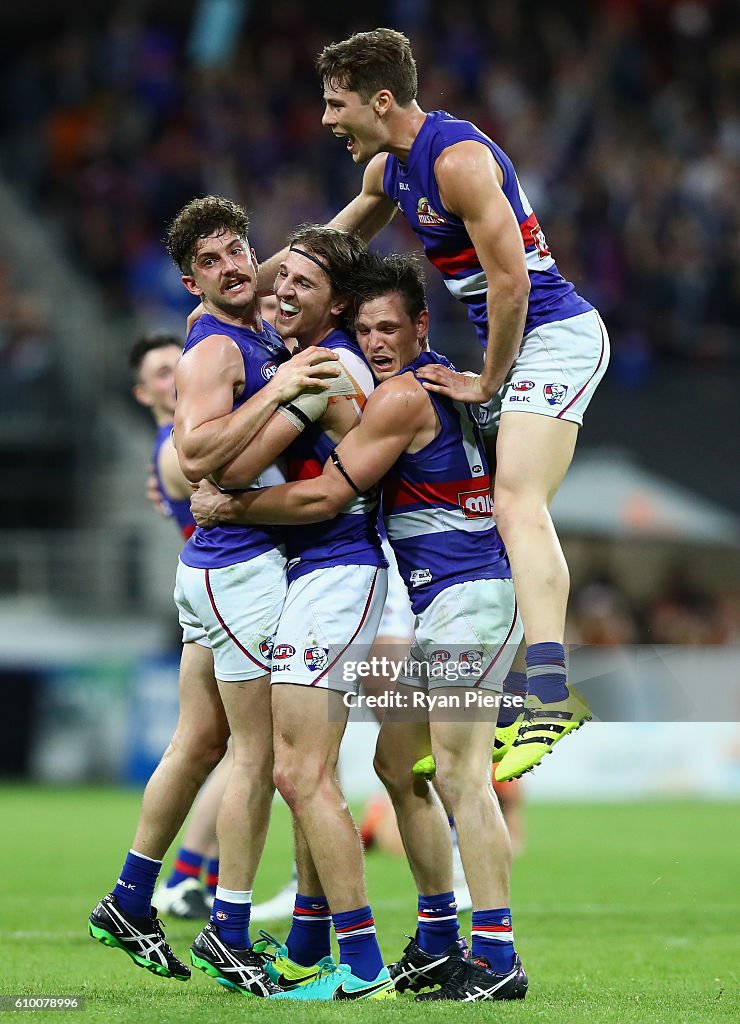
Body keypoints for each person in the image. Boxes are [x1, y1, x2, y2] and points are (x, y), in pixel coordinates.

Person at [258, 27, 609, 781]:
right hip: (519, 344)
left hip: (555, 337)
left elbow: (511, 283)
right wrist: (250, 295)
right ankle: (489, 702)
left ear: (381, 100)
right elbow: (326, 247)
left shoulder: (459, 161)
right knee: (500, 507)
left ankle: (548, 692)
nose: (326, 120)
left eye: (336, 103)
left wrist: (489, 380)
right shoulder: (392, 169)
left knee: (516, 503)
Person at [191, 252, 528, 1002]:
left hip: (466, 598)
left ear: (419, 324)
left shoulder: (403, 398)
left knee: (460, 778)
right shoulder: (453, 379)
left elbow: (323, 500)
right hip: (450, 597)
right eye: (365, 329)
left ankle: (499, 958)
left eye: (389, 328)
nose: (375, 343)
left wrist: (230, 506)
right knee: (395, 765)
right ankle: (438, 938)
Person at [88, 196, 340, 994]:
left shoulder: (247, 313)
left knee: (198, 744)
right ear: (189, 280)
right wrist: (284, 385)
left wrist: (374, 192)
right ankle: (229, 931)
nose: (234, 266)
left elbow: (320, 251)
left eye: (239, 250)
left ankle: (130, 899)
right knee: (257, 756)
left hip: (216, 574)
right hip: (237, 569)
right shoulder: (215, 350)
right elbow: (198, 456)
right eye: (212, 260)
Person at [193, 223, 396, 1000]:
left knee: (298, 771)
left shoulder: (325, 366)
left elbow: (228, 463)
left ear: (336, 304)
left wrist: (230, 495)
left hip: (340, 572)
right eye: (281, 278)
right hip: (315, 570)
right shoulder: (297, 359)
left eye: (303, 285)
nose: (281, 290)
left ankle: (364, 962)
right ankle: (316, 944)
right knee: (305, 771)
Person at [130, 331, 224, 920]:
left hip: (209, 595)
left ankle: (193, 877)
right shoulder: (177, 450)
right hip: (220, 596)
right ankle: (188, 874)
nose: (174, 377)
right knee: (238, 749)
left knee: (223, 747)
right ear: (145, 393)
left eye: (180, 366)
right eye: (162, 372)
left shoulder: (178, 444)